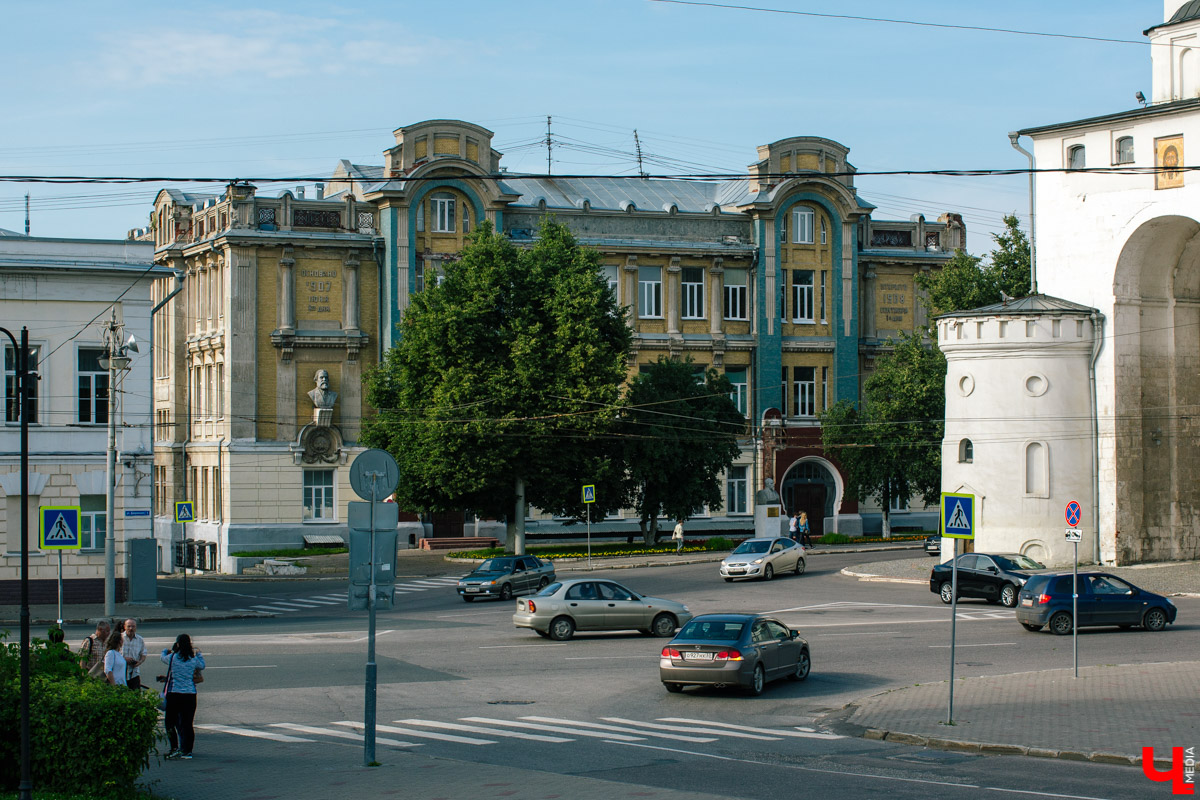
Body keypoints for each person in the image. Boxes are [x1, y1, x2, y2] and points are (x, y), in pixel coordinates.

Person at [162, 633, 206, 760]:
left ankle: (174, 748)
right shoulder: (193, 659)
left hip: (174, 694)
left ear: (178, 644)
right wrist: (199, 654)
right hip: (190, 695)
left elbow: (162, 657)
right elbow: (202, 665)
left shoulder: (172, 657)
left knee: (170, 722)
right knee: (188, 724)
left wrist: (164, 650)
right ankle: (188, 751)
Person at [122, 618, 147, 690]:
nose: (131, 628)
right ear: (124, 627)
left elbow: (143, 653)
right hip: (121, 673)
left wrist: (140, 662)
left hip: (134, 673)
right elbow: (113, 654)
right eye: (128, 626)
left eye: (133, 626)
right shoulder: (120, 638)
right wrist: (124, 659)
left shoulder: (140, 639)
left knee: (136, 696)